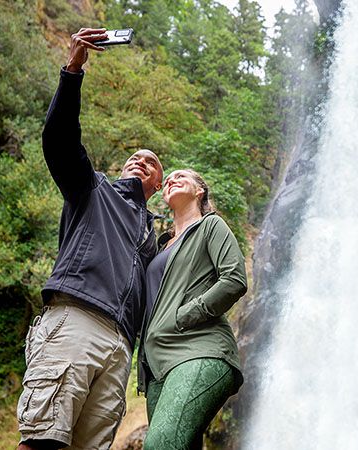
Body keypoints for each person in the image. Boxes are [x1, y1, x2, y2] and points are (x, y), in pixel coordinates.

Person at [17, 28, 164, 450]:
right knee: (43, 440)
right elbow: (59, 141)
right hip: (76, 320)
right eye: (134, 157)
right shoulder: (93, 189)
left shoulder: (152, 239)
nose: (140, 160)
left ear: (159, 183)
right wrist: (73, 69)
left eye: (151, 162)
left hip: (121, 348)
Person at [138, 169, 248, 450]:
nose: (173, 179)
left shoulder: (210, 226)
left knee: (160, 445)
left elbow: (234, 280)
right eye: (169, 178)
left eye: (182, 176)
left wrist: (184, 316)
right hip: (157, 369)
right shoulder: (160, 246)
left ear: (200, 191)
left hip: (199, 350)